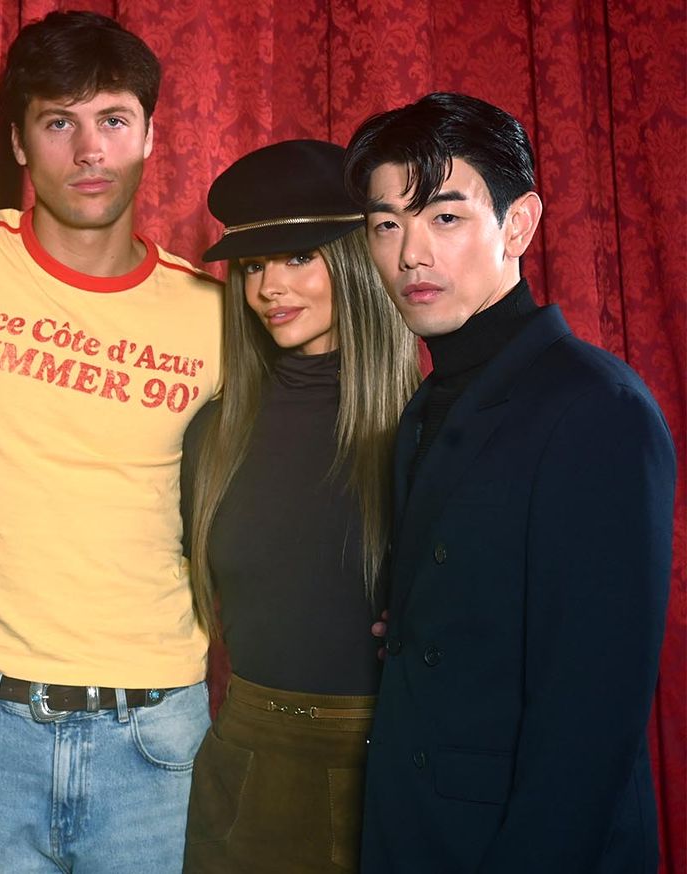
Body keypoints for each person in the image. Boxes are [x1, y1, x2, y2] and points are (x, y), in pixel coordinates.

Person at [0, 11, 222, 873]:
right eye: (58, 122)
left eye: (113, 120)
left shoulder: (215, 316)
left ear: (151, 134)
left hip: (153, 732)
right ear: (19, 141)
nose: (89, 150)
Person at [344, 92, 675, 873]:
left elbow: (590, 732)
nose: (411, 255)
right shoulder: (424, 408)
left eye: (445, 218)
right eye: (387, 225)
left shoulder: (598, 409)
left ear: (519, 225)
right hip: (413, 830)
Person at [179, 140, 417, 873]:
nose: (268, 289)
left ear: (349, 258)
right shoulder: (213, 433)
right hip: (243, 761)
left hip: (387, 769)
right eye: (253, 266)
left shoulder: (426, 425)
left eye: (296, 258)